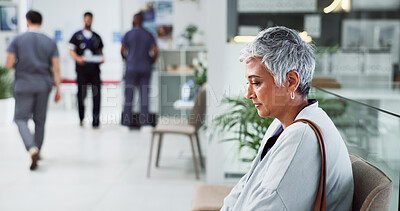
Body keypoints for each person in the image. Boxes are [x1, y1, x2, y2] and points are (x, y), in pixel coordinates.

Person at [221, 26, 353, 210]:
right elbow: (247, 183)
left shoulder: (302, 137)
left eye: (256, 83)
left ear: (291, 81)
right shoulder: (283, 124)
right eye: (248, 83)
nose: (248, 94)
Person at [5, 10, 61, 170]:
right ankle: (37, 149)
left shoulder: (17, 39)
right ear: (41, 22)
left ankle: (31, 148)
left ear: (27, 21)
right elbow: (56, 68)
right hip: (44, 85)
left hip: (24, 84)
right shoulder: (49, 41)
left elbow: (8, 64)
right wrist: (58, 89)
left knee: (20, 118)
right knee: (40, 120)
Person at [120, 12, 158, 128]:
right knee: (144, 97)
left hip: (131, 68)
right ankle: (145, 124)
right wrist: (150, 61)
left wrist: (127, 60)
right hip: (145, 68)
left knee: (128, 97)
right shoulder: (148, 34)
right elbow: (155, 51)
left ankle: (126, 124)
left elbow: (122, 50)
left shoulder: (128, 34)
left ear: (135, 20)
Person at [69, 12, 104, 128]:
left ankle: (95, 121)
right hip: (82, 71)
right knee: (81, 95)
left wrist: (101, 59)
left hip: (94, 71)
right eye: (86, 19)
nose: (88, 21)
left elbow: (101, 52)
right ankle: (81, 118)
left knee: (97, 96)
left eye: (90, 19)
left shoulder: (96, 37)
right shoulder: (77, 36)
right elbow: (71, 50)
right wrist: (77, 58)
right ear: (83, 19)